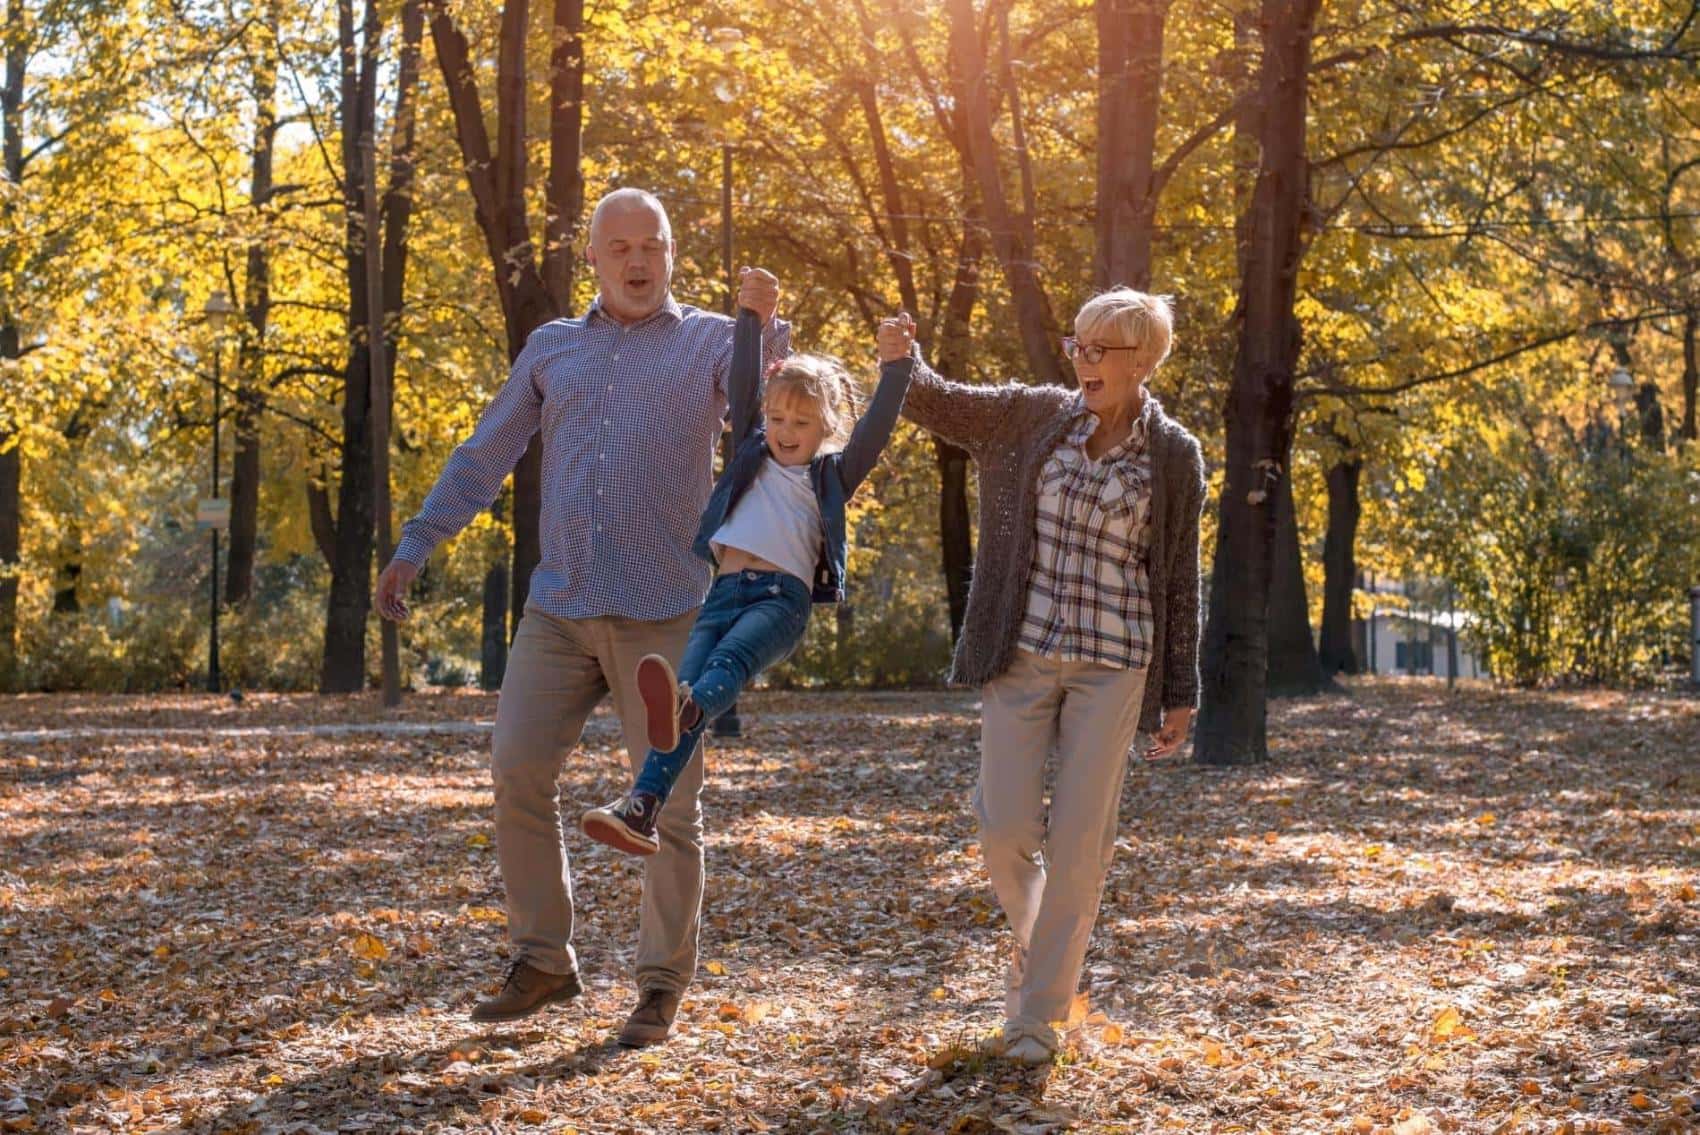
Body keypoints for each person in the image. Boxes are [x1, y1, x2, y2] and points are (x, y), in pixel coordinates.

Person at [374, 188, 789, 1048]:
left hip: (668, 612)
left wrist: (765, 328)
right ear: (593, 259)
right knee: (518, 770)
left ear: (672, 256)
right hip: (559, 607)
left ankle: (660, 982)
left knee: (669, 803)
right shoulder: (552, 348)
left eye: (655, 246)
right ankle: (543, 959)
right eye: (621, 247)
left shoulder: (714, 339)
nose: (639, 261)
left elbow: (771, 417)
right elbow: (485, 453)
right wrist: (416, 544)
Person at [888, 290, 1205, 1065]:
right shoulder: (1033, 416)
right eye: (1078, 346)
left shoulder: (1173, 456)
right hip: (1021, 651)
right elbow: (942, 403)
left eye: (1101, 350)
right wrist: (902, 359)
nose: (1083, 361)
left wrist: (1181, 690)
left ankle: (1038, 1017)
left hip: (1114, 664)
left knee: (1078, 846)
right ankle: (1042, 955)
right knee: (1004, 829)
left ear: (1143, 362)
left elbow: (1177, 581)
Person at [581, 307, 914, 855]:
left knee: (726, 666)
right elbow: (741, 385)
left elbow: (874, 430)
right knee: (675, 709)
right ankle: (640, 808)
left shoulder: (830, 475)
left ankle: (683, 724)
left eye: (801, 423)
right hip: (722, 595)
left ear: (825, 427)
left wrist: (896, 365)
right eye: (778, 418)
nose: (785, 431)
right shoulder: (749, 457)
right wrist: (752, 318)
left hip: (780, 600)